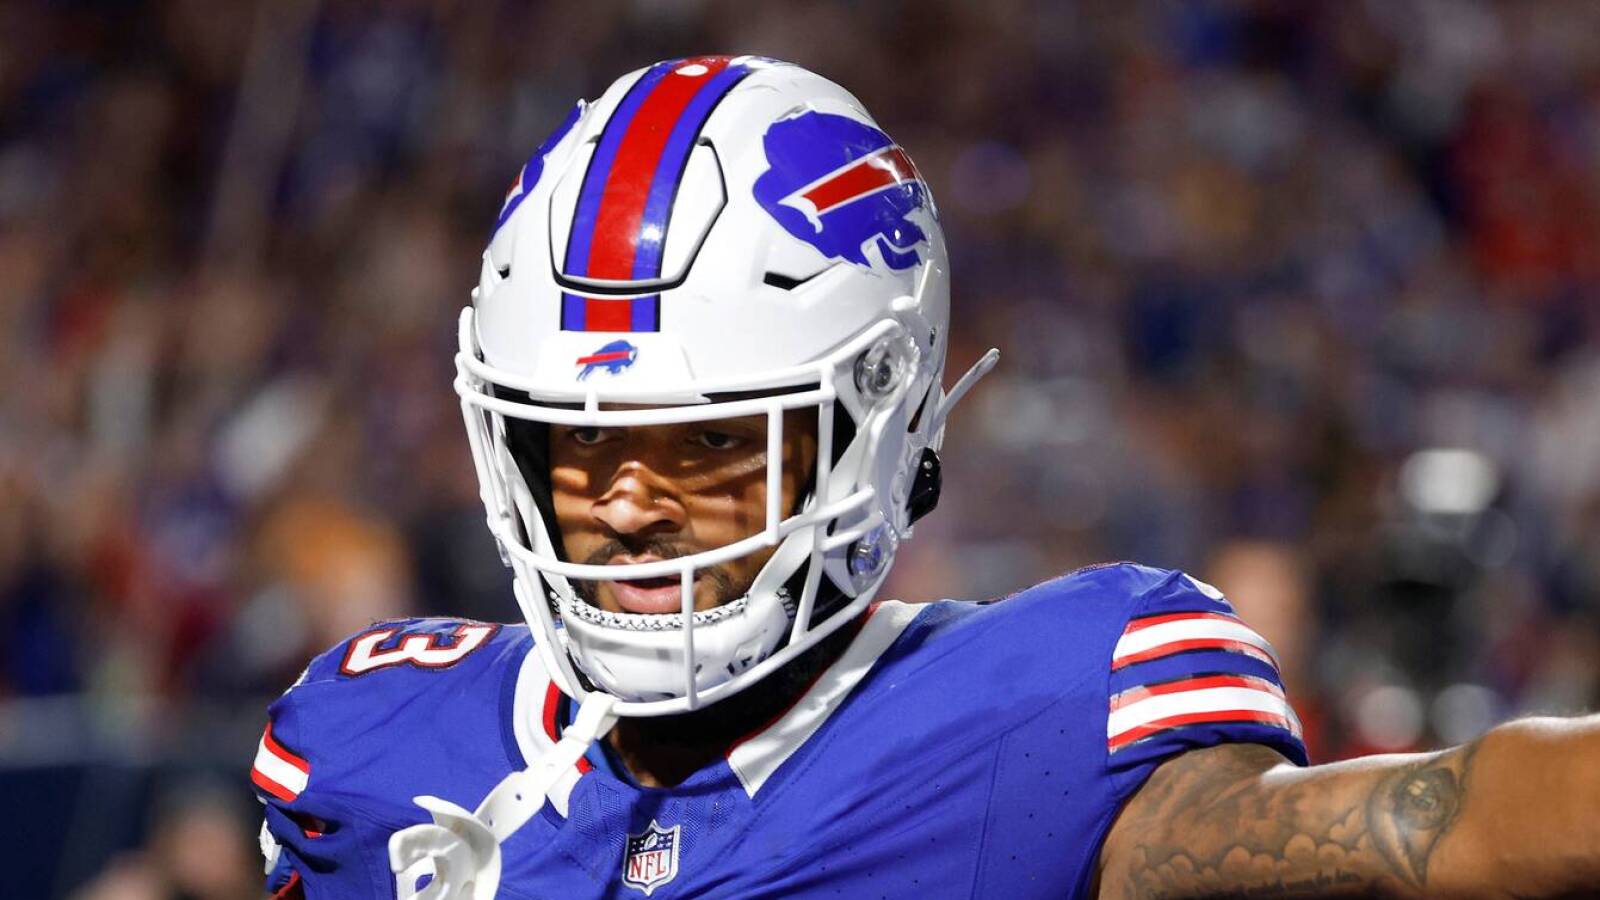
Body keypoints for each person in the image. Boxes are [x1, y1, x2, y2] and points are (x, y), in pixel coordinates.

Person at [251, 56, 1600, 899]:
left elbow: (1441, 827)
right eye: (582, 438)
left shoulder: (1029, 720)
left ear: (874, 427)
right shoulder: (371, 745)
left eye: (711, 441)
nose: (628, 501)